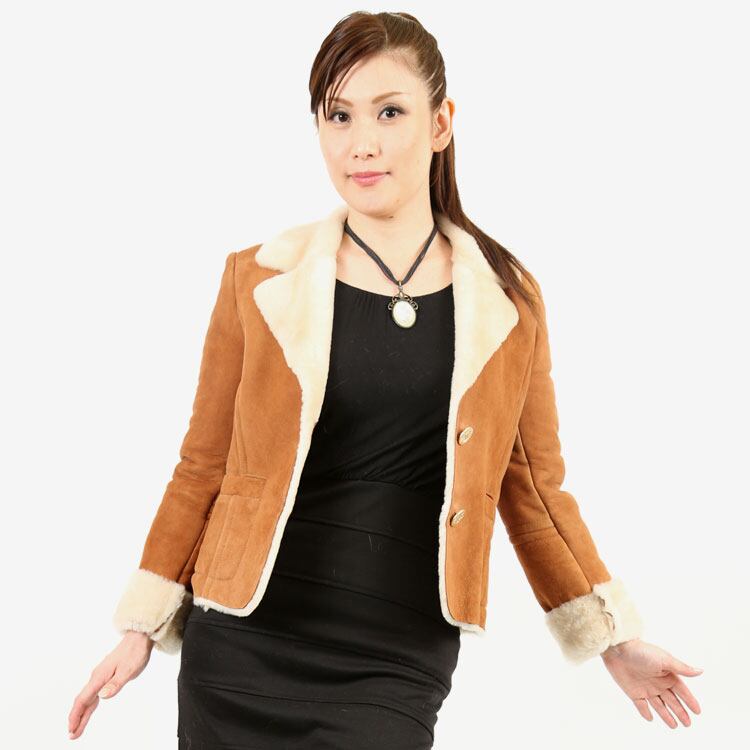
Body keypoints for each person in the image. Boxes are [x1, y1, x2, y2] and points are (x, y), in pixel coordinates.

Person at [68, 10, 703, 746]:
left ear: (440, 124)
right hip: (241, 645)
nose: (360, 143)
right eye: (338, 116)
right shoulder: (259, 281)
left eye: (389, 112)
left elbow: (535, 490)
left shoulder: (506, 302)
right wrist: (141, 627)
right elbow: (203, 465)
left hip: (396, 656)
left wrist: (614, 639)